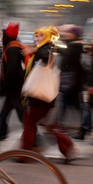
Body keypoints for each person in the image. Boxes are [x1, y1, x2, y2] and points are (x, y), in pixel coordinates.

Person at [20, 26, 77, 162]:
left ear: (46, 37)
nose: (37, 39)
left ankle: (24, 155)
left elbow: (45, 58)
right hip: (45, 95)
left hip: (40, 95)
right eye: (36, 36)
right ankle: (67, 149)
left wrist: (35, 50)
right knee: (47, 124)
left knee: (29, 123)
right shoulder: (49, 48)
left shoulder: (46, 49)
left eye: (40, 36)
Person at [0, 22, 26, 146]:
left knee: (22, 116)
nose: (0, 35)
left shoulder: (12, 48)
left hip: (13, 88)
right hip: (13, 87)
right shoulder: (13, 46)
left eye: (2, 33)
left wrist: (7, 85)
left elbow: (12, 70)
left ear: (7, 34)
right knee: (3, 114)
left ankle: (36, 141)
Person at [54, 24, 88, 136]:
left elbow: (68, 55)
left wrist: (58, 49)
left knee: (76, 105)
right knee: (67, 103)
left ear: (74, 34)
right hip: (71, 80)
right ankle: (59, 124)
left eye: (69, 33)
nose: (66, 34)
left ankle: (85, 125)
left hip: (72, 80)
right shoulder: (73, 44)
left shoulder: (75, 46)